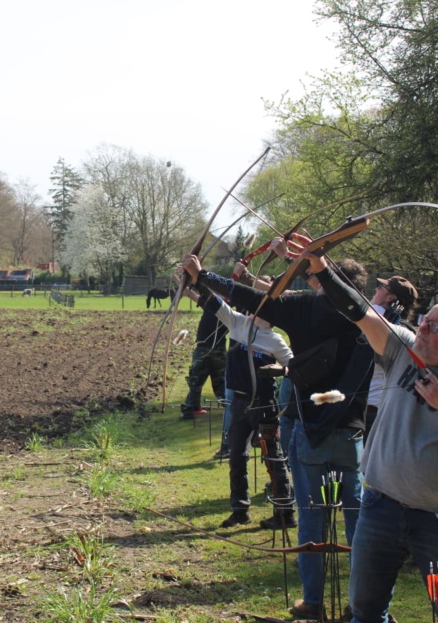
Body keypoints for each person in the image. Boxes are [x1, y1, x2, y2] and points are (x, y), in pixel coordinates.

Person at [302, 250, 438, 623]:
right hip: (379, 508)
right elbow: (359, 311)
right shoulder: (401, 349)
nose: (422, 329)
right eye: (425, 320)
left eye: (434, 327)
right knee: (366, 611)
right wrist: (322, 268)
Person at [183, 248, 374, 621]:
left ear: (324, 283)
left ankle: (314, 603)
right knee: (357, 521)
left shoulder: (306, 308)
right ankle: (363, 606)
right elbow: (246, 303)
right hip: (350, 433)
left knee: (313, 519)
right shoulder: (367, 316)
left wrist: (204, 275)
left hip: (311, 432)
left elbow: (252, 297)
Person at [187, 285, 295, 530]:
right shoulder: (238, 323)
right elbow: (213, 301)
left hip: (264, 405)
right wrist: (197, 277)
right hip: (239, 404)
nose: (251, 310)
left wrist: (281, 370)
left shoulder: (275, 341)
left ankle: (285, 513)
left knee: (273, 458)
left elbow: (296, 368)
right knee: (237, 457)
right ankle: (240, 510)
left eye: (258, 307)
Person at [365, 276, 419, 439]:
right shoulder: (407, 331)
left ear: (390, 298)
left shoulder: (372, 318)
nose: (376, 289)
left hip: (368, 408)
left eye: (382, 287)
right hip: (381, 407)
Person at [178, 292, 227, 420]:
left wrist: (181, 284)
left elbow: (191, 294)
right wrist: (181, 283)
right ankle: (231, 409)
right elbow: (191, 295)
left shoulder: (220, 308)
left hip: (206, 351)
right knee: (218, 383)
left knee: (197, 381)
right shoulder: (218, 308)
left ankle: (190, 409)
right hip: (217, 351)